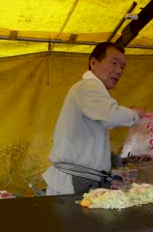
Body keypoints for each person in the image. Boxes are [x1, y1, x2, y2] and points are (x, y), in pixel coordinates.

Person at [42, 42, 145, 195]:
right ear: (93, 62)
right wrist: (135, 114)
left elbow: (104, 117)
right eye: (114, 63)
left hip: (83, 178)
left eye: (122, 67)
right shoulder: (88, 86)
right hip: (75, 180)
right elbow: (111, 115)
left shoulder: (95, 92)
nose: (118, 71)